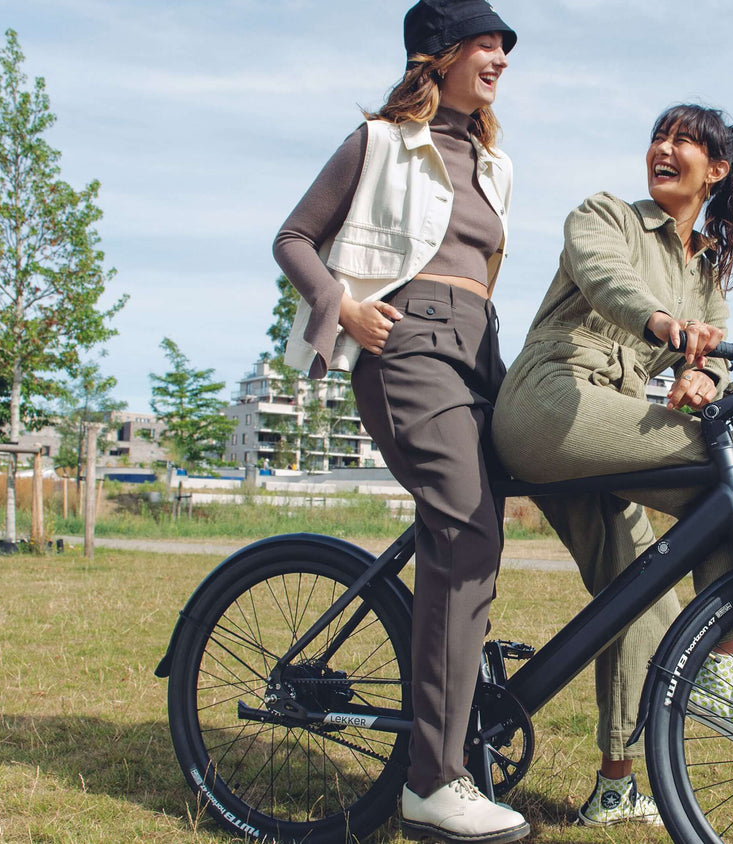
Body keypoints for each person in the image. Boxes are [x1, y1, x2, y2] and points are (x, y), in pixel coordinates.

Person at [491, 104, 733, 827]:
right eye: (659, 137)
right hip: (550, 404)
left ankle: (615, 784)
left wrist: (702, 380)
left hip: (605, 427)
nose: (663, 148)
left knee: (644, 592)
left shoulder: (707, 272)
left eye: (683, 141)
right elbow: (605, 281)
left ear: (716, 170)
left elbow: (711, 348)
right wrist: (664, 326)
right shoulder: (607, 216)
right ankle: (723, 658)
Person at [271, 2, 527, 841]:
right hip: (406, 346)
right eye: (485, 42)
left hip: (480, 353)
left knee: (478, 533)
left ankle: (463, 730)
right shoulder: (376, 142)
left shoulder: (495, 163)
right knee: (466, 531)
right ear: (440, 53)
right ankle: (432, 781)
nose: (499, 56)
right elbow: (295, 236)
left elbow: (480, 276)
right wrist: (342, 306)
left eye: (503, 46)